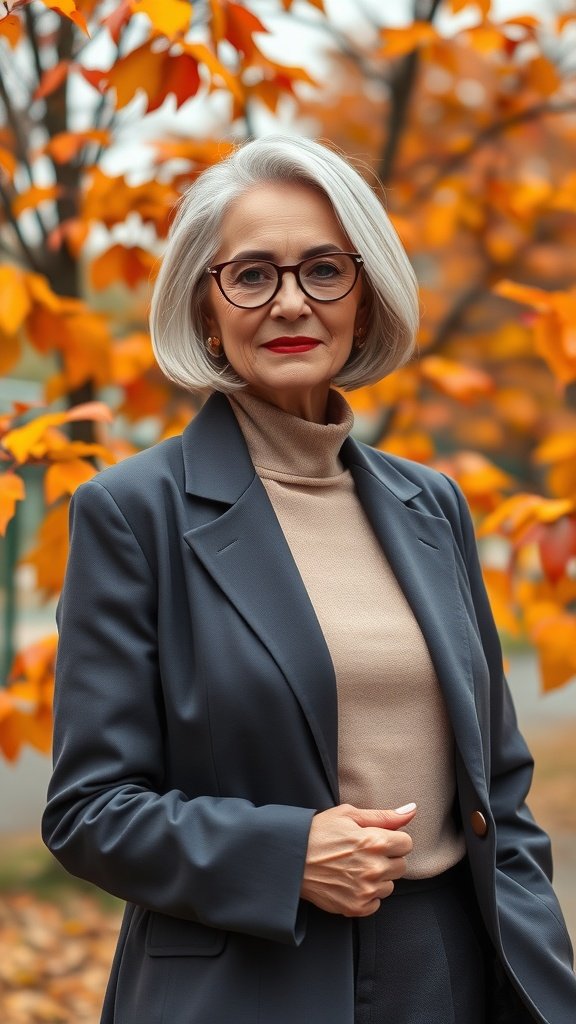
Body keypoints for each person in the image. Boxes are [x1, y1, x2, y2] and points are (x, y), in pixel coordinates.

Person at [42, 135, 576, 1024]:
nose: (290, 301)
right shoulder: (132, 512)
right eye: (251, 275)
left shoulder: (430, 502)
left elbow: (501, 790)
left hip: (449, 968)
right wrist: (284, 854)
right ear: (207, 311)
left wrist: (544, 973)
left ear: (362, 300)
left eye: (324, 269)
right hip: (246, 984)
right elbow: (89, 811)